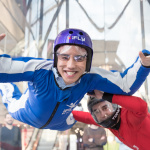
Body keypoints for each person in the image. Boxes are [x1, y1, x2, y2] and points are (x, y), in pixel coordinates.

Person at [0, 28, 150, 131]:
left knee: (71, 121)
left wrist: (143, 65)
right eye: (64, 57)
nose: (71, 65)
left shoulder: (89, 77)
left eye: (79, 58)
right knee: (10, 97)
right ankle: (7, 89)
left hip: (62, 123)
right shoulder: (40, 69)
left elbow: (125, 85)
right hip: (26, 114)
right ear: (56, 59)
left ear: (88, 61)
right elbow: (4, 69)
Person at [72, 90, 150, 150]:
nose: (103, 114)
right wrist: (66, 113)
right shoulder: (110, 124)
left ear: (113, 105)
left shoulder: (130, 117)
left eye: (105, 108)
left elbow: (141, 106)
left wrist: (110, 96)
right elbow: (87, 118)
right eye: (97, 112)